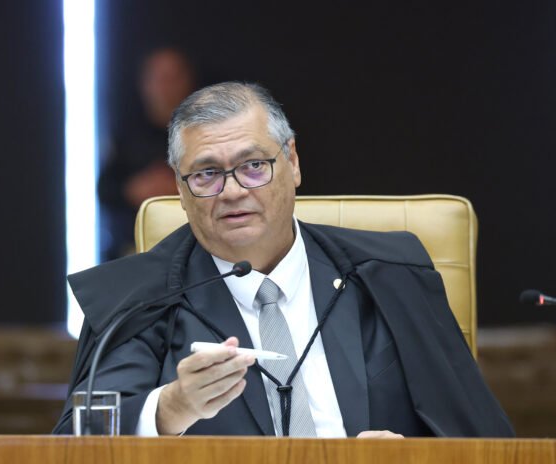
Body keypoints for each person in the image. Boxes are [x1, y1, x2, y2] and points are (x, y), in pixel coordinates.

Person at [54, 82, 514, 438]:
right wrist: (170, 408)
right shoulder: (139, 298)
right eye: (208, 173)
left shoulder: (389, 273)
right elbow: (78, 441)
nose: (232, 191)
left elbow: (482, 438)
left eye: (254, 165)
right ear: (180, 186)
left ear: (292, 162)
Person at [98, 47, 197, 260]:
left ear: (188, 81)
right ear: (145, 84)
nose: (167, 87)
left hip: (194, 250)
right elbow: (105, 190)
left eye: (173, 78)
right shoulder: (127, 134)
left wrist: (181, 187)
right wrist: (136, 189)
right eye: (160, 78)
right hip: (135, 250)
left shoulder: (206, 132)